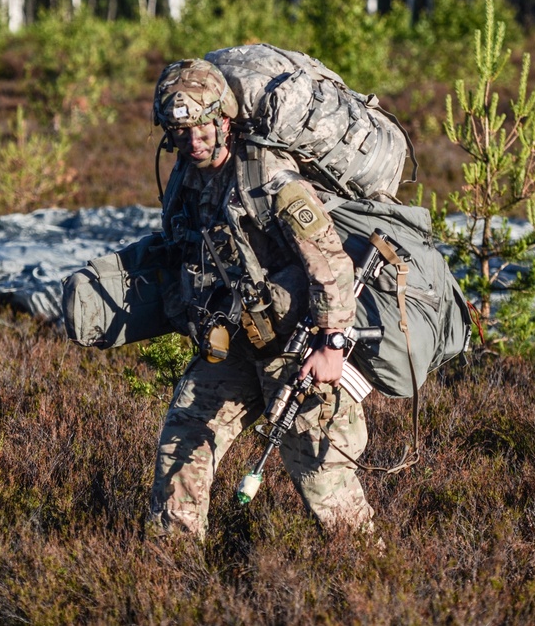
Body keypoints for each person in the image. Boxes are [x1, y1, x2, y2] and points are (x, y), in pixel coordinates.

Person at [147, 57, 375, 540]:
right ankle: (169, 572)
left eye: (204, 128)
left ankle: (369, 574)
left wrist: (332, 343)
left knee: (322, 477)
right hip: (233, 342)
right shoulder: (185, 181)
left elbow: (331, 262)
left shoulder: (266, 176)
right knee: (183, 441)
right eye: (181, 131)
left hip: (295, 347)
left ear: (225, 118)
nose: (194, 141)